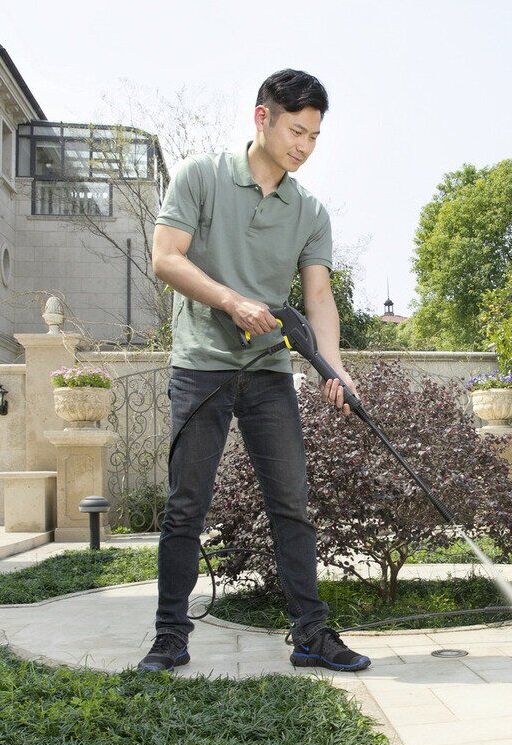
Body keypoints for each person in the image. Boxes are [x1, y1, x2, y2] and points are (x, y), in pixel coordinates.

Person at [137, 69, 370, 673]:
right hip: (202, 366)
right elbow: (165, 258)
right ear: (262, 117)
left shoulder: (308, 211)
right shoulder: (201, 177)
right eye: (297, 131)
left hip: (268, 373)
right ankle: (170, 635)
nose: (305, 146)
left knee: (291, 503)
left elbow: (319, 298)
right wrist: (232, 301)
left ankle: (311, 634)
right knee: (187, 505)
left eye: (314, 136)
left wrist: (332, 366)